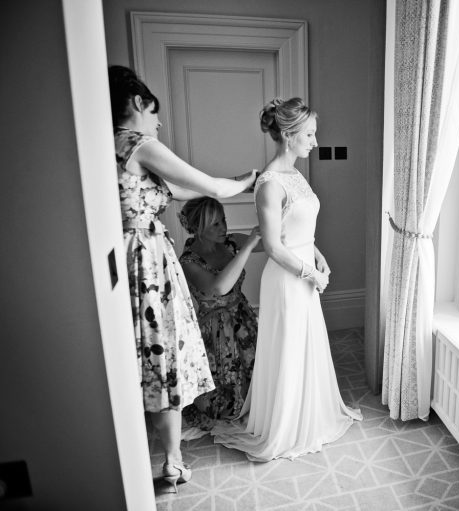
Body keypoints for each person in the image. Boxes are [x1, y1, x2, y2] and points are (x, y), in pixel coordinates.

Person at [109, 65, 259, 491]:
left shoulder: (106, 147)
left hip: (126, 257)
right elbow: (206, 184)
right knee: (163, 357)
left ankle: (164, 455)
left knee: (146, 358)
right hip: (147, 261)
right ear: (138, 103)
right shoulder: (137, 142)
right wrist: (247, 180)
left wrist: (221, 187)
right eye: (154, 111)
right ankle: (171, 460)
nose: (158, 122)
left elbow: (179, 191)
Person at [213, 97, 362, 461]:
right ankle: (286, 425)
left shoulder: (296, 175)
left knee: (305, 344)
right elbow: (274, 245)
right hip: (286, 279)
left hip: (304, 271)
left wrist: (318, 257)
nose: (314, 141)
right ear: (288, 134)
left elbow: (302, 233)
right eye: (309, 134)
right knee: (289, 348)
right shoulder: (269, 184)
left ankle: (309, 414)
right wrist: (309, 272)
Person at [177, 198, 262, 436]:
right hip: (214, 331)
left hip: (242, 318)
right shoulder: (188, 261)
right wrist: (247, 247)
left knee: (257, 379)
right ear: (197, 228)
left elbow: (272, 242)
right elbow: (219, 287)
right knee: (225, 399)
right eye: (214, 225)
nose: (223, 228)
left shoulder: (232, 242)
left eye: (223, 220)